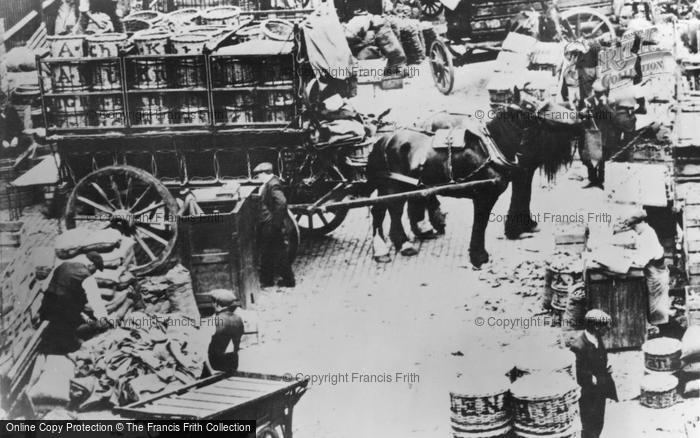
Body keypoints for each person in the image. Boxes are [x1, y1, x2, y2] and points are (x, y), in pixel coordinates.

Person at [39, 252, 109, 354]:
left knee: (55, 329)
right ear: (91, 264)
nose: (94, 272)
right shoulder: (87, 276)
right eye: (96, 269)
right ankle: (70, 346)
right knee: (70, 340)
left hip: (47, 306)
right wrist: (102, 319)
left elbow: (44, 287)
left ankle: (53, 342)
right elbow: (96, 300)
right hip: (64, 312)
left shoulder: (63, 265)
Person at [570, 309, 618, 438]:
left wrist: (606, 365)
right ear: (596, 327)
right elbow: (578, 370)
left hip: (599, 389)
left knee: (599, 420)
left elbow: (601, 355)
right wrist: (590, 377)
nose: (608, 329)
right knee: (589, 423)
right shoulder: (578, 346)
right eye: (605, 327)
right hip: (587, 393)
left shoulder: (597, 337)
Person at [254, 162, 296, 288]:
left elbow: (282, 202)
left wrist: (275, 224)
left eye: (258, 175)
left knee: (276, 253)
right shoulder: (270, 182)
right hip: (270, 225)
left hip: (271, 225)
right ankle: (272, 280)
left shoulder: (273, 184)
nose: (257, 177)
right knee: (272, 252)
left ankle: (285, 281)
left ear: (264, 173)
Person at [207, 289, 245, 374]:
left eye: (212, 302)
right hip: (234, 359)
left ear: (216, 303)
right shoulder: (238, 318)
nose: (211, 304)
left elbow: (206, 342)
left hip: (216, 362)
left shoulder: (215, 320)